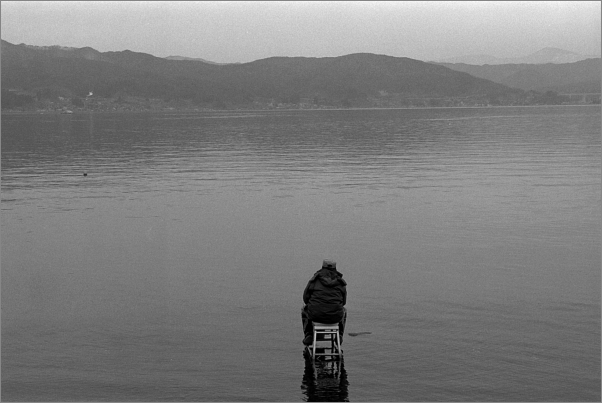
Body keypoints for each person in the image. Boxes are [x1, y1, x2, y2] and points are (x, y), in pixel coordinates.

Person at [301, 259, 347, 346]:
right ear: (335, 269)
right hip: (335, 317)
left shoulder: (314, 280)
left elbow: (305, 299)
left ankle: (309, 334)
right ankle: (340, 335)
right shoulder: (341, 283)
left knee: (304, 310)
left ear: (322, 267)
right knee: (344, 310)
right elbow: (343, 302)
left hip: (316, 315)